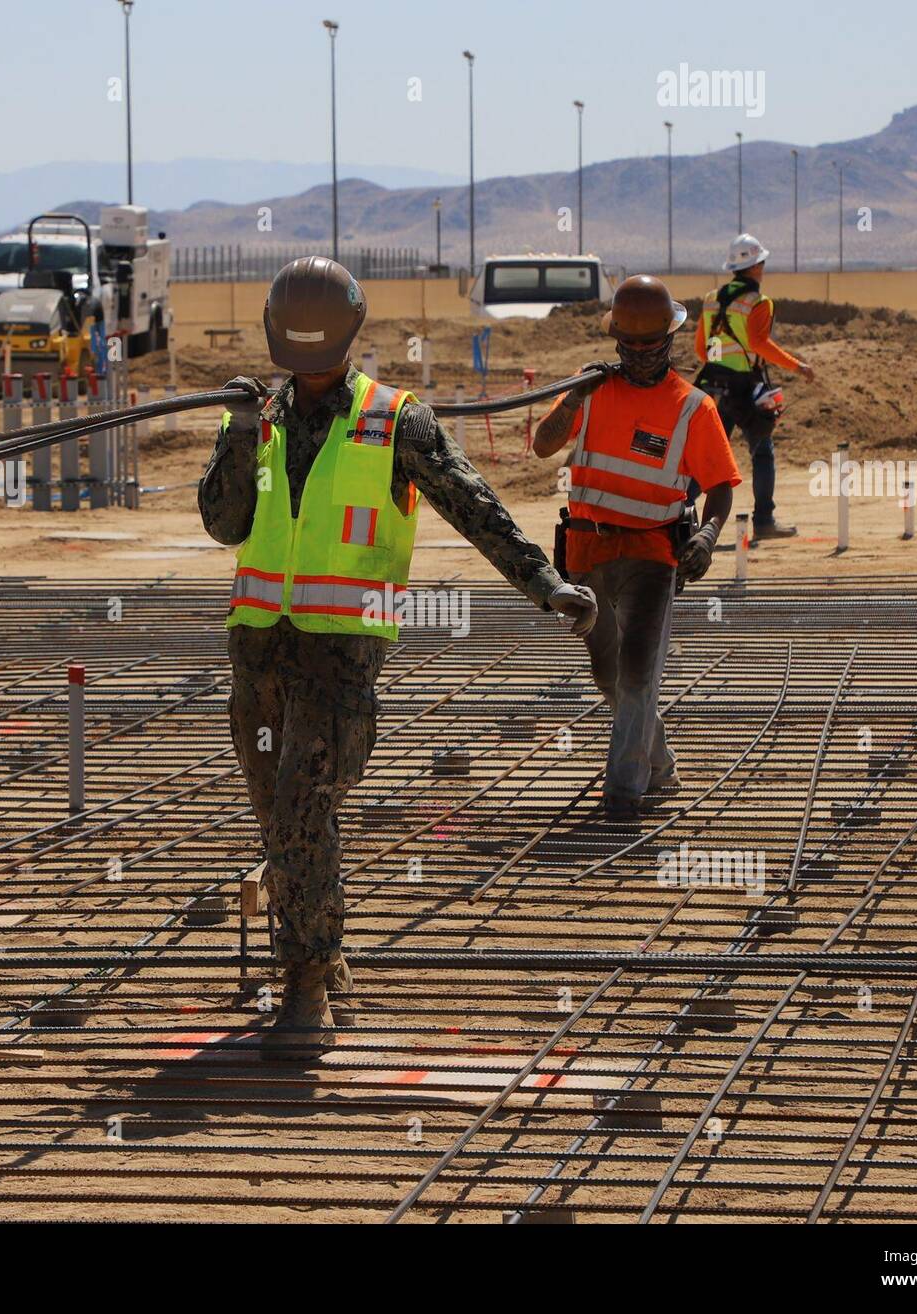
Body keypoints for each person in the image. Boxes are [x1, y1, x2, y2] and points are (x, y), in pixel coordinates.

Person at [200, 256, 597, 1049]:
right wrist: (241, 437)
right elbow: (225, 523)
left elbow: (470, 500)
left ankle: (305, 984)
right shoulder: (254, 416)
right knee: (278, 820)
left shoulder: (395, 420)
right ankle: (324, 949)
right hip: (257, 656)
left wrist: (544, 582)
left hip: (342, 656)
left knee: (302, 812)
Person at [533, 275, 740, 820]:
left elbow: (719, 487)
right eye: (631, 347)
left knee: (637, 673)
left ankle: (623, 793)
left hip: (652, 556)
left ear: (669, 341)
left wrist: (709, 534)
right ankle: (662, 767)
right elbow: (542, 446)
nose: (642, 358)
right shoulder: (592, 388)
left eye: (652, 348)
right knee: (609, 675)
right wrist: (573, 398)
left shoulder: (693, 408)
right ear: (617, 342)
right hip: (587, 554)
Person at [693, 233, 815, 540]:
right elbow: (760, 343)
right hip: (744, 388)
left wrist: (722, 359)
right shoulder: (758, 303)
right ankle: (763, 522)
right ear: (756, 266)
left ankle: (678, 515)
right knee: (762, 451)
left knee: (705, 455)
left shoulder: (711, 299)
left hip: (712, 384)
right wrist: (796, 365)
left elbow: (701, 349)